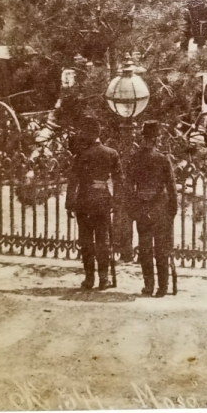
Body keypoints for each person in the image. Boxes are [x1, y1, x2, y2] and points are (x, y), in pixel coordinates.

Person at [64, 117, 122, 290]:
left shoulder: (80, 155)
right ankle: (104, 279)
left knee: (86, 241)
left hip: (83, 201)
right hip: (102, 201)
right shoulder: (111, 153)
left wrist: (69, 203)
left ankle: (89, 279)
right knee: (103, 240)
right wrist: (116, 202)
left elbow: (73, 181)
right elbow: (119, 181)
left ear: (89, 133)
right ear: (99, 133)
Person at [125, 121, 177, 297]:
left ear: (143, 138)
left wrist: (133, 208)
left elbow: (128, 187)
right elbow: (171, 187)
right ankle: (162, 287)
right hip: (160, 209)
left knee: (145, 248)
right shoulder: (163, 159)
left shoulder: (134, 159)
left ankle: (148, 286)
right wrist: (172, 210)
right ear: (155, 139)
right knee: (161, 249)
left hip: (142, 208)